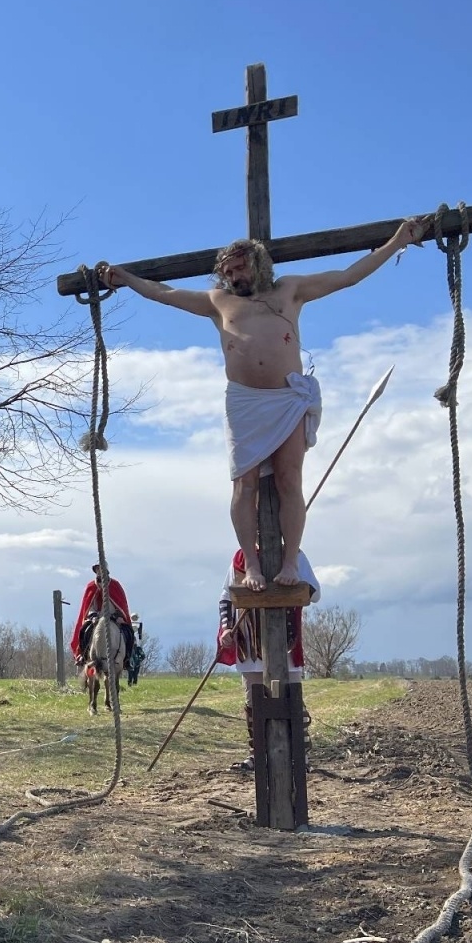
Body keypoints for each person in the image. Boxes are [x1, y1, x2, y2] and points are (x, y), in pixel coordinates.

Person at [99, 217, 424, 591]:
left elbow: (349, 275)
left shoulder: (290, 290)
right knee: (244, 486)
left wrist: (398, 238)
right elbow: (163, 292)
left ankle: (290, 561)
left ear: (257, 263)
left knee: (289, 480)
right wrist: (125, 277)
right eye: (228, 271)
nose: (234, 276)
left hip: (287, 398)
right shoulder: (217, 302)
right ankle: (251, 564)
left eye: (240, 267)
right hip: (245, 403)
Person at [216, 547, 319, 768]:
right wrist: (226, 628)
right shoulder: (240, 558)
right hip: (249, 641)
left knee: (292, 698)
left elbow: (314, 592)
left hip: (284, 641)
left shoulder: (293, 555)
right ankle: (258, 754)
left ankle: (300, 755)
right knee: (254, 702)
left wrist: (289, 585)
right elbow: (226, 596)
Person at [69, 564, 132, 667]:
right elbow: (89, 606)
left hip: (113, 618)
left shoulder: (115, 585)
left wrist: (118, 615)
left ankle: (128, 657)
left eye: (101, 569)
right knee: (84, 630)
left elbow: (121, 604)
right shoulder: (91, 586)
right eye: (97, 570)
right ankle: (83, 655)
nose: (99, 571)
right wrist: (93, 615)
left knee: (128, 632)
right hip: (95, 617)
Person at [127, 614, 146, 686]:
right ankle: (129, 686)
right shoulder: (129, 648)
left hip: (136, 664)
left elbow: (143, 655)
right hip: (130, 663)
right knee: (130, 676)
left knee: (135, 676)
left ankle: (134, 686)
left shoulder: (138, 648)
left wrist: (139, 660)